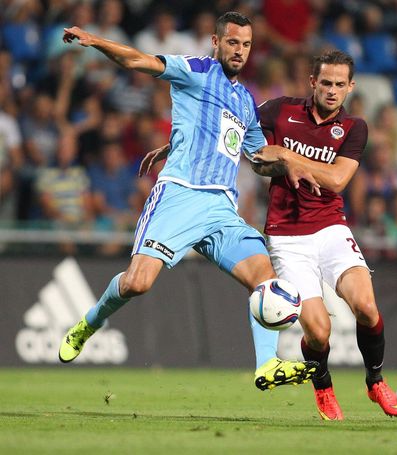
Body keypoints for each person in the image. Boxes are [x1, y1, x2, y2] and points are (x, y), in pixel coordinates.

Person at [57, 12, 320, 391]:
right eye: (232, 42)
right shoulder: (195, 70)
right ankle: (89, 323)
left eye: (246, 45)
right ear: (216, 43)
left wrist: (287, 165)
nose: (240, 51)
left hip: (220, 209)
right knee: (137, 284)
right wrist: (95, 40)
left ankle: (266, 365)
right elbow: (140, 60)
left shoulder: (246, 102)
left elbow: (257, 158)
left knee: (265, 279)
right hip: (180, 195)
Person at [146, 50, 397, 420]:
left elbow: (336, 180)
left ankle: (375, 380)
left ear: (351, 86)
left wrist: (285, 155)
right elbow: (231, 129)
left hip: (331, 227)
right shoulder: (279, 110)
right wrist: (177, 145)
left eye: (340, 85)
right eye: (326, 83)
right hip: (286, 236)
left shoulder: (354, 128)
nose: (332, 91)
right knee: (319, 332)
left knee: (365, 306)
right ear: (313, 82)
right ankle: (324, 386)